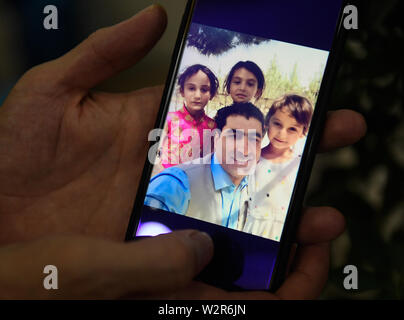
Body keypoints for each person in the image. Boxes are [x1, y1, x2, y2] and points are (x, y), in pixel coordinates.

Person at [0, 4, 367, 299]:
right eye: (234, 135)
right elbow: (163, 194)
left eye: (255, 138)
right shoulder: (177, 180)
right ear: (216, 134)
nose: (245, 147)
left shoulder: (252, 185)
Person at [145, 102, 264, 230]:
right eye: (234, 136)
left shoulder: (254, 189)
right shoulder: (177, 184)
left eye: (254, 140)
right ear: (217, 139)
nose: (244, 151)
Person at [243, 94, 314, 241]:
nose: (282, 133)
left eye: (292, 129)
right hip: (252, 230)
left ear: (303, 132)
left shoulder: (299, 165)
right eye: (278, 124)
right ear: (267, 123)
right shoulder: (253, 159)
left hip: (282, 234)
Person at [157, 64, 218, 170]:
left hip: (193, 181)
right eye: (191, 88)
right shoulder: (169, 119)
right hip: (166, 177)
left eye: (204, 90)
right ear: (182, 91)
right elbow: (156, 152)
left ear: (211, 94)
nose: (197, 95)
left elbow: (209, 160)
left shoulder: (212, 126)